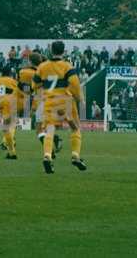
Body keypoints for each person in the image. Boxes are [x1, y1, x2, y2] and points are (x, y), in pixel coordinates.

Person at [33, 41, 87, 174]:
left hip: (50, 101)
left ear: (51, 50)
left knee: (50, 130)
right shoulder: (67, 66)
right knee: (75, 128)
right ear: (63, 51)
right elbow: (74, 84)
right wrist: (81, 99)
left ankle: (47, 156)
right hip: (65, 101)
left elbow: (34, 85)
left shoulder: (42, 67)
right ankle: (75, 155)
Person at [17, 53, 62, 157]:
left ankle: (50, 150)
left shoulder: (31, 73)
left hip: (43, 101)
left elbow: (29, 89)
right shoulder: (47, 70)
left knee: (39, 130)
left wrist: (32, 105)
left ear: (30, 62)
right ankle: (55, 140)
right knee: (46, 126)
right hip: (55, 99)